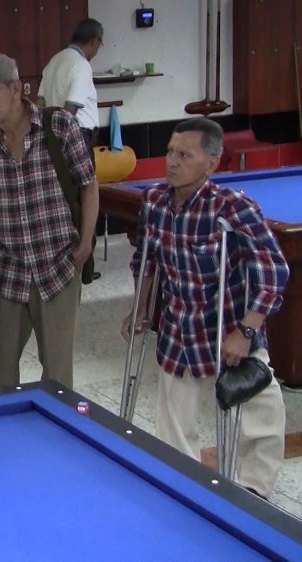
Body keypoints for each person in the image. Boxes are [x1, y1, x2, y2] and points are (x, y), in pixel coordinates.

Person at [121, 117, 287, 498]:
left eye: (184, 155)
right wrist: (140, 307)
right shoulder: (154, 201)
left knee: (262, 415)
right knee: (172, 425)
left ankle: (253, 493)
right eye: (170, 152)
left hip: (229, 327)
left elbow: (273, 268)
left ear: (211, 163)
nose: (172, 162)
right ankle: (185, 491)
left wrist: (246, 330)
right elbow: (146, 261)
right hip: (179, 330)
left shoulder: (232, 207)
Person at [0, 53, 98, 391]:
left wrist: (84, 245)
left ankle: (55, 439)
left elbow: (88, 184)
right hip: (7, 269)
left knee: (56, 375)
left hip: (58, 265)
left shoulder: (58, 126)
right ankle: (5, 438)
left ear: (15, 88)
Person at [37, 18, 103, 149]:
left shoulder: (54, 60)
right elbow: (70, 109)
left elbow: (39, 104)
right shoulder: (81, 64)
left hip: (53, 135)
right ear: (94, 41)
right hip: (76, 135)